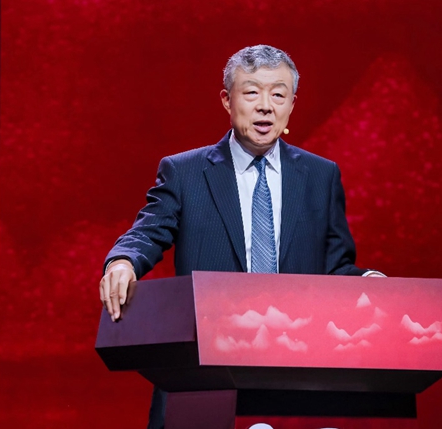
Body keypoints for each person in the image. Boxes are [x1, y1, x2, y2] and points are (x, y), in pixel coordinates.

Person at [99, 44, 382, 429]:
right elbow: (147, 232)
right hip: (206, 372)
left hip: (295, 373)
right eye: (251, 92)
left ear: (291, 105)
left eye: (278, 95)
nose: (265, 106)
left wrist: (368, 281)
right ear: (227, 100)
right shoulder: (185, 172)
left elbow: (334, 267)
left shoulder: (321, 176)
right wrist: (123, 261)